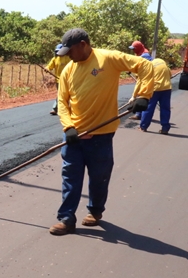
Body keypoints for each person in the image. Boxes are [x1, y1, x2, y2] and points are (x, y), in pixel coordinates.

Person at [50, 28, 155, 236]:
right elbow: (61, 103)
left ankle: (95, 211)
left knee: (99, 177)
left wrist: (143, 95)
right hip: (74, 135)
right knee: (70, 177)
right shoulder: (68, 70)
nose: (69, 56)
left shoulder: (108, 58)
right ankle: (66, 218)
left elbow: (144, 65)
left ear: (83, 44)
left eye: (71, 51)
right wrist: (68, 127)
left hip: (101, 135)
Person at [135, 54, 173, 135]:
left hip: (154, 89)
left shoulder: (148, 66)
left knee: (149, 108)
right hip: (167, 88)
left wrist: (135, 95)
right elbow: (170, 74)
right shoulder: (160, 61)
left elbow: (141, 81)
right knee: (165, 108)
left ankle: (143, 127)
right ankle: (165, 128)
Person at [46, 44, 71, 115]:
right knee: (60, 94)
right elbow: (49, 66)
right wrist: (47, 69)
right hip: (58, 80)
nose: (58, 53)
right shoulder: (55, 59)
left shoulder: (68, 58)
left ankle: (70, 108)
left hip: (67, 79)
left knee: (69, 94)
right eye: (57, 52)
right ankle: (55, 108)